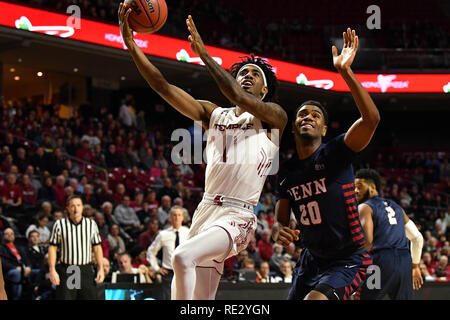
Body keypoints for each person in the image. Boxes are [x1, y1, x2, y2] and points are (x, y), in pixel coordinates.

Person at [119, 6, 287, 300]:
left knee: (182, 256)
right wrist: (131, 44)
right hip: (205, 211)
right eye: (243, 72)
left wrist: (204, 54)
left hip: (238, 214)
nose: (247, 75)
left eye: (254, 74)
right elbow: (162, 86)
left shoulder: (273, 117)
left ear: (263, 90)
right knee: (201, 301)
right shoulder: (213, 114)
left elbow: (236, 94)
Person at [273, 28, 380, 300]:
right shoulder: (286, 173)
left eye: (316, 115)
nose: (308, 116)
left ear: (323, 130)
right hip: (311, 259)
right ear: (294, 128)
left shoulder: (336, 152)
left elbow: (371, 119)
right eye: (302, 114)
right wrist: (279, 230)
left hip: (349, 259)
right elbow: (281, 218)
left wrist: (346, 73)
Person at [354, 168, 424, 299]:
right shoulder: (397, 207)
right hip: (404, 261)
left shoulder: (364, 207)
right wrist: (415, 266)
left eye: (359, 186)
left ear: (373, 187)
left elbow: (366, 242)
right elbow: (417, 238)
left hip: (379, 261)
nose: (355, 191)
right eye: (354, 187)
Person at [48, 195, 104, 300]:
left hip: (85, 268)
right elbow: (52, 248)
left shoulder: (91, 224)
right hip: (68, 268)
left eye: (78, 205)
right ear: (68, 208)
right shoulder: (60, 224)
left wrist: (101, 268)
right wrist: (52, 270)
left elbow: (97, 248)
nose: (76, 208)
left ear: (82, 207)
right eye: (72, 206)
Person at [146, 206, 189, 300]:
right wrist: (157, 268)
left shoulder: (188, 233)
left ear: (183, 217)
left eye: (179, 215)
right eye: (174, 215)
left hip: (185, 271)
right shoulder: (163, 234)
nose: (177, 218)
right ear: (170, 217)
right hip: (168, 274)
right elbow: (150, 252)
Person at [0, 228, 34, 300]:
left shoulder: (19, 247)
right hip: (9, 271)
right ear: (3, 236)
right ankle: (16, 298)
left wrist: (29, 267)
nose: (10, 235)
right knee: (16, 273)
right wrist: (15, 267)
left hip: (23, 269)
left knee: (38, 272)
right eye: (7, 234)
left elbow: (27, 260)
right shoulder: (1, 248)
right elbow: (3, 263)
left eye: (11, 234)